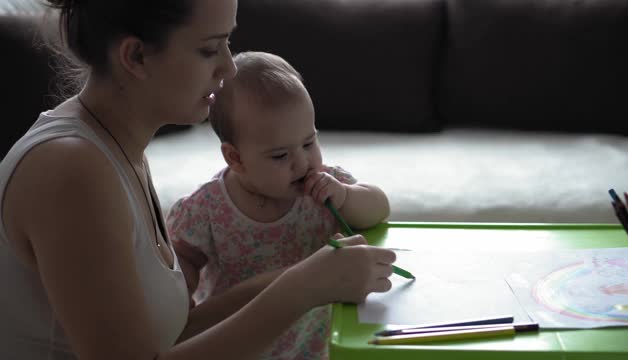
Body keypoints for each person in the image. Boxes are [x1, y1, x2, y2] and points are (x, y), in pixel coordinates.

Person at [0, 0, 397, 359]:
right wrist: (301, 290)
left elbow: (170, 336)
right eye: (210, 48)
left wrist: (308, 276)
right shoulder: (72, 172)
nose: (228, 67)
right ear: (136, 56)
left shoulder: (116, 151)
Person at [165, 51, 391, 359]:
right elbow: (181, 259)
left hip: (317, 345)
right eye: (280, 155)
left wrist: (345, 197)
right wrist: (182, 287)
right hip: (246, 344)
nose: (302, 163)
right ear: (236, 158)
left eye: (309, 143)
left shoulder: (327, 186)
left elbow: (379, 207)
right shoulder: (208, 208)